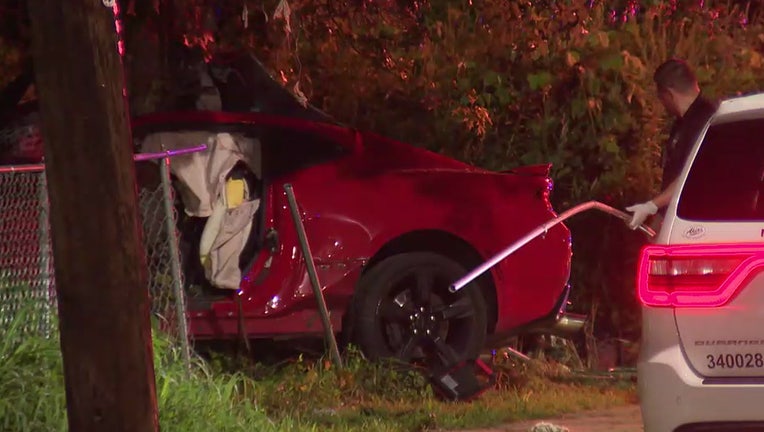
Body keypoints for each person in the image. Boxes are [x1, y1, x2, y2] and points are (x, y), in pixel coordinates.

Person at [625, 58, 719, 230]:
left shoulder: (707, 121)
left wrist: (652, 205)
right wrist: (660, 216)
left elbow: (690, 174)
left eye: (660, 97)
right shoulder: (683, 122)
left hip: (699, 222)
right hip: (681, 219)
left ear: (668, 94)